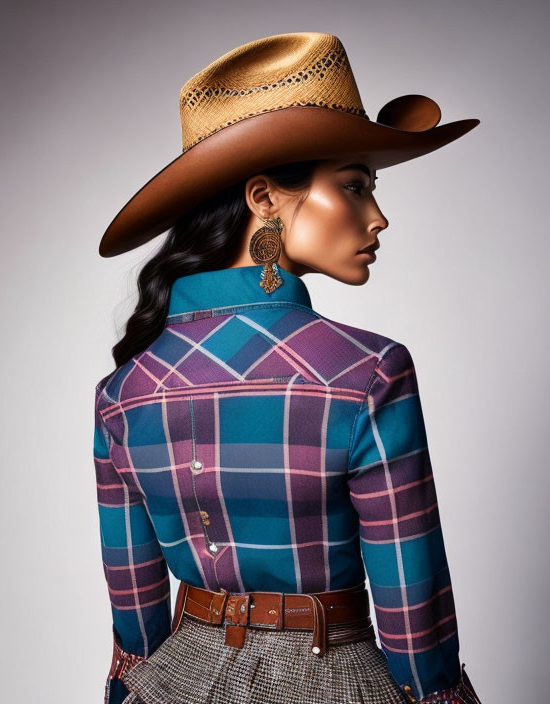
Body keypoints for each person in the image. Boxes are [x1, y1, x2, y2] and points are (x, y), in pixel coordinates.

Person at [93, 31, 483, 704]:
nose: (379, 217)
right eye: (356, 186)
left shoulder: (123, 393)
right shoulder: (369, 372)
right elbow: (412, 610)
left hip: (176, 679)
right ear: (264, 198)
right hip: (331, 674)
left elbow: (135, 615)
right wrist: (438, 694)